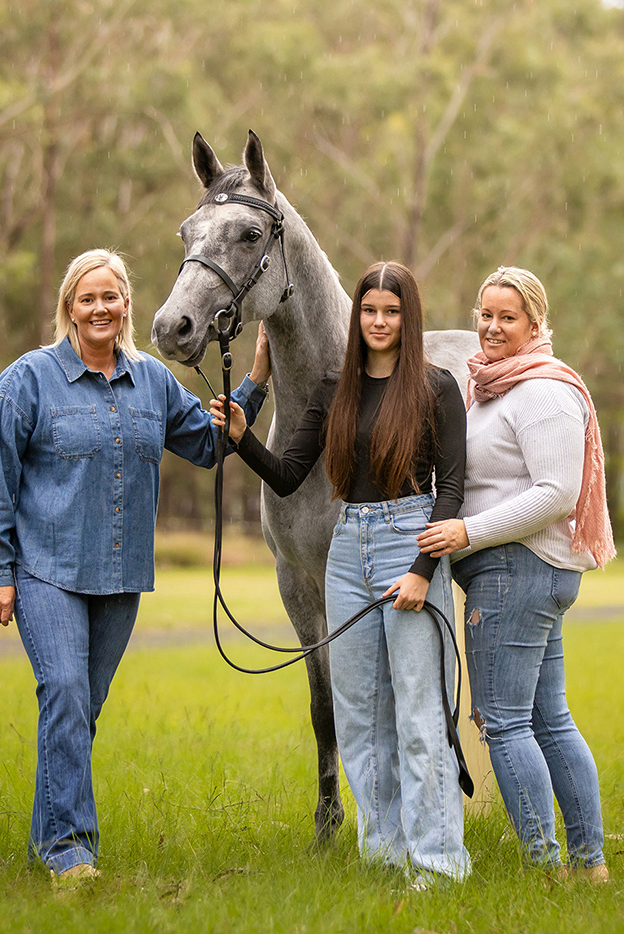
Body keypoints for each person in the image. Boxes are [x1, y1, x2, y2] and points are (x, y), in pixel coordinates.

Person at [0, 248, 271, 888]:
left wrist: (253, 385)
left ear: (126, 304)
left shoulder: (154, 381)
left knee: (80, 711)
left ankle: (44, 843)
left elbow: (207, 441)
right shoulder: (27, 380)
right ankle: (71, 856)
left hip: (118, 574)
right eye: (88, 298)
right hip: (45, 569)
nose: (101, 308)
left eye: (111, 296)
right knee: (66, 695)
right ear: (69, 309)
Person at [212, 261, 470, 885]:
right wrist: (243, 437)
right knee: (359, 715)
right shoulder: (336, 390)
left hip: (410, 541)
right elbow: (287, 474)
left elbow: (452, 490)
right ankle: (382, 855)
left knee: (418, 713)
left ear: (409, 319)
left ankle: (437, 865)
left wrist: (420, 570)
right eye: (369, 310)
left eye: (392, 311)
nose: (379, 322)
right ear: (357, 317)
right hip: (347, 546)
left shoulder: (436, 388)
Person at [416, 265, 616, 881]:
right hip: (519, 574)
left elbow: (556, 493)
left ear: (535, 323)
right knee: (547, 718)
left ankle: (546, 865)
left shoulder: (542, 394)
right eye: (486, 314)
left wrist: (467, 531)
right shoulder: (495, 389)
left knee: (503, 723)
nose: (492, 327)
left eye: (507, 317)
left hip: (514, 572)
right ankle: (588, 866)